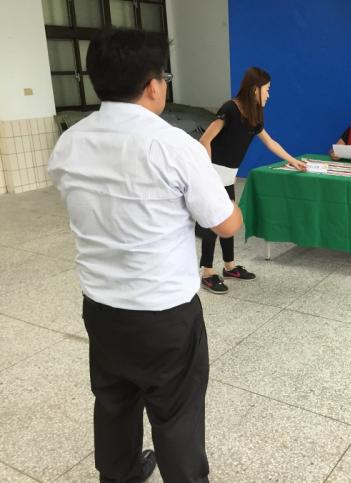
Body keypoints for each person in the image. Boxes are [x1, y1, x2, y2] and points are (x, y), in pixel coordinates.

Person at [48, 28, 242, 483]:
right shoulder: (175, 146)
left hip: (101, 307)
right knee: (176, 413)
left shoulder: (70, 142)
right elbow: (226, 225)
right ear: (153, 85)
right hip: (164, 313)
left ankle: (118, 475)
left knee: (113, 401)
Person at [197, 67, 305, 294]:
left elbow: (270, 142)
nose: (269, 94)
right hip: (214, 174)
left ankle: (229, 266)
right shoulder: (230, 109)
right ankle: (207, 273)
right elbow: (205, 140)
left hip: (228, 176)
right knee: (213, 225)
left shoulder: (254, 115)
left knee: (228, 221)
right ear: (255, 89)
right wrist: (207, 174)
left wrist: (293, 161)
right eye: (267, 89)